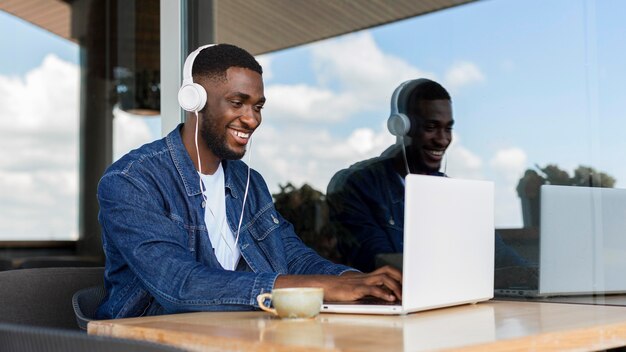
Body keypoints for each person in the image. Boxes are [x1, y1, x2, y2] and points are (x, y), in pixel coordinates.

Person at [95, 44, 401, 319]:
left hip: (229, 335)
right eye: (237, 102)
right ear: (194, 101)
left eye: (257, 106)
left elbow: (292, 256)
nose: (252, 119)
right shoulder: (131, 181)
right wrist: (317, 287)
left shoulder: (248, 183)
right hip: (145, 340)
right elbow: (180, 284)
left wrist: (354, 282)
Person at [326, 78, 530, 273]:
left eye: (448, 128)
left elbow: (503, 259)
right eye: (431, 127)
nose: (442, 140)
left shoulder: (456, 195)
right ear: (401, 127)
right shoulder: (358, 185)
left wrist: (535, 276)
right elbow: (384, 267)